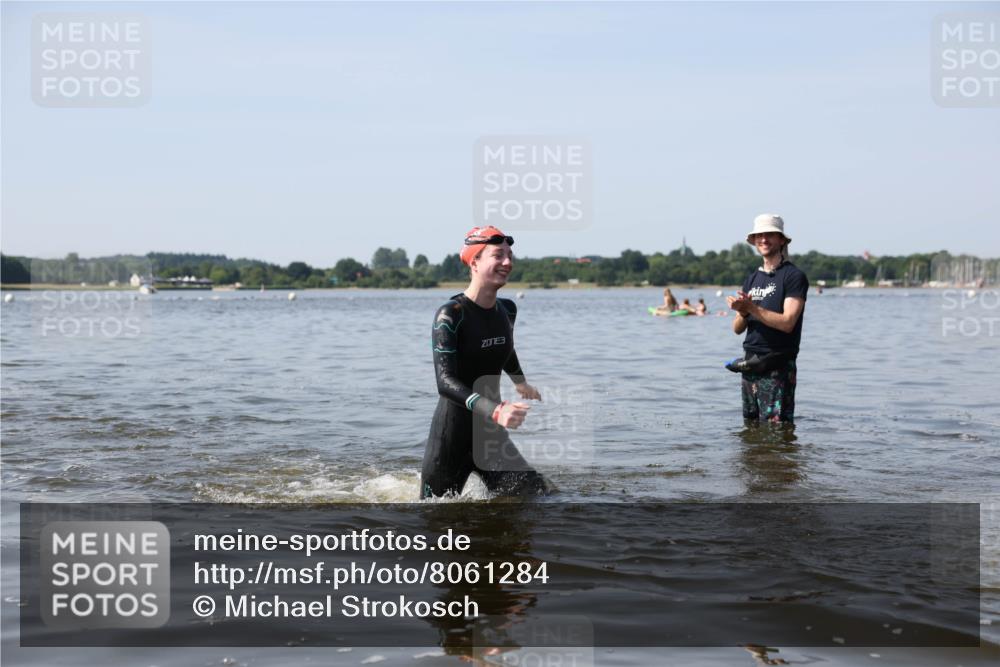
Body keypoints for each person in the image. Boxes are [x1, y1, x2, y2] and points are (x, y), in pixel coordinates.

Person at [421, 226, 553, 499]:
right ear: (474, 262)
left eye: (510, 255)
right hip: (451, 438)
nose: (507, 262)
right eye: (498, 255)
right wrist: (495, 411)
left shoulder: (507, 309)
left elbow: (504, 347)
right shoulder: (451, 315)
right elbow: (445, 383)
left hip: (490, 436)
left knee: (537, 497)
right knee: (437, 521)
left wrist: (520, 382)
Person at [726, 214, 808, 423]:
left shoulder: (793, 276)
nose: (763, 239)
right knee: (750, 431)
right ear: (754, 241)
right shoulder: (752, 279)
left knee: (776, 433)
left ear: (781, 240)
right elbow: (736, 329)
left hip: (777, 366)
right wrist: (743, 311)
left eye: (769, 234)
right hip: (750, 364)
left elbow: (788, 322)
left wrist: (752, 307)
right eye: (759, 235)